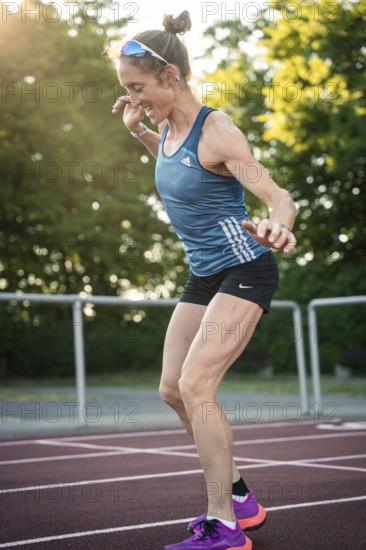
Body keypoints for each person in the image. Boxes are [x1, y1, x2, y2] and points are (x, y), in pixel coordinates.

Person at [107, 10, 297, 550]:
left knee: (197, 386)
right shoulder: (166, 128)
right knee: (172, 388)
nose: (133, 98)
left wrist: (277, 228)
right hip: (205, 274)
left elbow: (278, 197)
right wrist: (141, 129)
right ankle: (239, 495)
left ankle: (224, 527)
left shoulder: (218, 130)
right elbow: (176, 170)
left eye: (138, 88)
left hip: (246, 268)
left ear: (171, 76)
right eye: (127, 90)